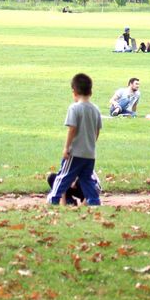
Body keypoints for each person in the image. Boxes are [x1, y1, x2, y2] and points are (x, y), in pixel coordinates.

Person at [48, 73, 102, 206]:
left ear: (74, 91)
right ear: (91, 91)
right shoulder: (95, 109)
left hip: (75, 152)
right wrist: (91, 144)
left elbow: (72, 129)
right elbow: (97, 131)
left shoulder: (74, 108)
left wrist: (66, 148)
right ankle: (94, 201)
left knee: (63, 176)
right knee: (87, 179)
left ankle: (53, 198)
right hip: (89, 153)